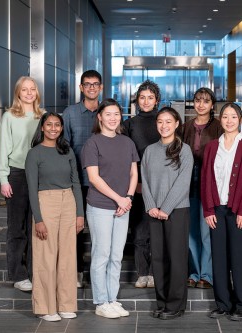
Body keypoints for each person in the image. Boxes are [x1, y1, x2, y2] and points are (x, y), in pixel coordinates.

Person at [81, 98, 138, 319]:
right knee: (102, 254)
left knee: (116, 255)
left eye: (116, 114)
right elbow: (94, 178)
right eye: (108, 114)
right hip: (101, 206)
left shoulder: (127, 142)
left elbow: (134, 173)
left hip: (124, 206)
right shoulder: (92, 143)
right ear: (100, 117)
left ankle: (112, 299)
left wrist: (129, 197)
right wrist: (119, 199)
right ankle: (101, 301)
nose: (113, 118)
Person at [201, 102, 242, 321]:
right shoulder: (212, 147)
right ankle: (223, 303)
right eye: (225, 116)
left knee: (240, 258)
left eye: (233, 117)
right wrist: (208, 209)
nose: (229, 121)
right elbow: (206, 180)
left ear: (241, 120)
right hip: (217, 209)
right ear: (220, 119)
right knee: (220, 259)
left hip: (238, 212)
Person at [25, 112, 84, 322]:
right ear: (42, 128)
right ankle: (46, 307)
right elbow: (32, 189)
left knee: (68, 256)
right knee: (46, 256)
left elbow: (76, 182)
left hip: (68, 201)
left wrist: (79, 214)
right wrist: (38, 219)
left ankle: (66, 305)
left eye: (57, 125)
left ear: (61, 128)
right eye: (49, 124)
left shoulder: (67, 151)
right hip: (45, 202)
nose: (53, 128)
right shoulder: (34, 154)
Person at [141, 107, 193, 320]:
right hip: (154, 212)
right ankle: (162, 302)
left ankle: (175, 305)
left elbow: (183, 183)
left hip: (177, 211)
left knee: (176, 258)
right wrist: (151, 206)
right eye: (160, 122)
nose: (164, 126)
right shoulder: (149, 150)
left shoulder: (184, 150)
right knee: (159, 258)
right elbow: (143, 181)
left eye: (168, 121)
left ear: (177, 124)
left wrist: (165, 208)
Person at [0, 76, 43, 291]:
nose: (29, 93)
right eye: (25, 90)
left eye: (33, 89)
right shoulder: (9, 117)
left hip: (40, 175)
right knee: (17, 227)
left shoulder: (43, 117)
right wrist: (3, 178)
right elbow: (2, 148)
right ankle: (18, 274)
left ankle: (35, 273)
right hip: (17, 175)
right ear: (18, 93)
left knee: (37, 226)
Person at [63, 69, 102, 288]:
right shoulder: (69, 113)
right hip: (77, 181)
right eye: (87, 84)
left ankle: (98, 273)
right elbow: (64, 148)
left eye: (95, 84)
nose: (91, 88)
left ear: (101, 87)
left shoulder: (107, 111)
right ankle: (76, 271)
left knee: (99, 229)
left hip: (102, 183)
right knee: (76, 229)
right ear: (81, 88)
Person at [182, 87, 223, 289]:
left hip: (211, 181)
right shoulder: (185, 127)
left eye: (206, 101)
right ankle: (193, 272)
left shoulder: (218, 127)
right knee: (191, 231)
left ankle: (207, 274)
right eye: (197, 100)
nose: (201, 104)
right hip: (188, 181)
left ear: (212, 105)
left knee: (206, 229)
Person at [122, 80, 161, 288]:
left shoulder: (163, 121)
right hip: (137, 184)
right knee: (139, 232)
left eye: (150, 97)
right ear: (137, 100)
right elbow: (129, 157)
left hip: (160, 185)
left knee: (157, 231)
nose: (146, 101)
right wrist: (135, 182)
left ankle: (155, 273)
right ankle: (142, 273)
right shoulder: (129, 124)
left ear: (157, 101)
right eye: (142, 97)